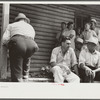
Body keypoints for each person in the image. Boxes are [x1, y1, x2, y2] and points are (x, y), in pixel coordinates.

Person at [1, 13, 39, 82]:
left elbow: (4, 39)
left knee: (16, 66)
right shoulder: (30, 27)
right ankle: (25, 77)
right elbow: (31, 39)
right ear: (25, 20)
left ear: (17, 20)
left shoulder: (11, 25)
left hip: (18, 43)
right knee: (27, 57)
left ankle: (17, 82)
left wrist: (10, 47)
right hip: (32, 45)